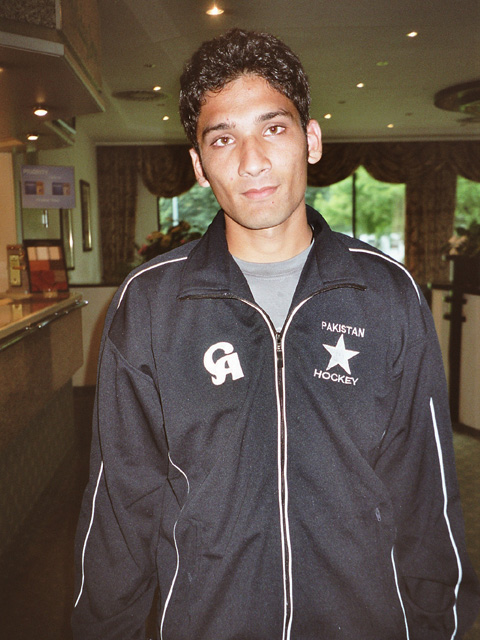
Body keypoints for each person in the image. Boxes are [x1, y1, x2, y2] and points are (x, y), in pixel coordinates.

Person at [72, 28, 479, 640]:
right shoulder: (151, 303)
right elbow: (120, 504)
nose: (251, 160)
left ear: (311, 140)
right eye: (222, 138)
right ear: (198, 166)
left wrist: (438, 626)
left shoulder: (387, 292)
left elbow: (427, 492)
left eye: (273, 128)